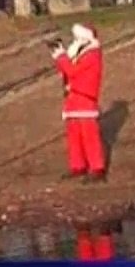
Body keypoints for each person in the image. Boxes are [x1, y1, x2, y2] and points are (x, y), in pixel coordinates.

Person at [51, 23, 107, 182]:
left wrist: (61, 56)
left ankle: (97, 167)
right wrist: (60, 56)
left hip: (85, 96)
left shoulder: (92, 54)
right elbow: (67, 69)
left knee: (89, 135)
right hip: (74, 97)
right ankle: (78, 165)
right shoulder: (80, 52)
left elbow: (72, 71)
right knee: (73, 134)